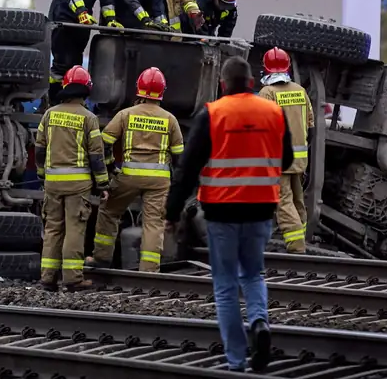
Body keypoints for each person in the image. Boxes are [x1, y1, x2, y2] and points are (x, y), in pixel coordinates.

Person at [166, 57, 294, 373]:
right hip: (262, 208)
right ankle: (260, 322)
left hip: (221, 212)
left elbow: (188, 169)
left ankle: (236, 361)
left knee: (224, 286)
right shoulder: (274, 112)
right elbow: (288, 157)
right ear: (251, 81)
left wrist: (171, 210)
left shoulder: (213, 114)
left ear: (224, 84)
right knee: (253, 274)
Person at [89, 67, 184, 271]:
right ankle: (149, 270)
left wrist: (110, 166)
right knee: (153, 223)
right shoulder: (170, 119)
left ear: (138, 89)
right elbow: (179, 155)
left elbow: (104, 142)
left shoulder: (125, 114)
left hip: (129, 177)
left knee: (109, 212)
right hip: (159, 181)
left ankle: (101, 257)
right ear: (162, 91)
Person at [35, 66, 109, 291]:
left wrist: (42, 174)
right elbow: (96, 156)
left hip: (52, 183)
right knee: (74, 230)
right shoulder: (89, 118)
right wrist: (103, 183)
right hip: (78, 185)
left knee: (53, 229)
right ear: (86, 90)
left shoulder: (50, 114)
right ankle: (73, 279)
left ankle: (47, 279)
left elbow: (39, 148)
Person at [258, 47, 314, 254]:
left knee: (284, 203)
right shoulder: (300, 91)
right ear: (287, 67)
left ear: (265, 68)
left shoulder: (267, 93)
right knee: (298, 201)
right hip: (299, 160)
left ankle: (296, 247)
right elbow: (311, 127)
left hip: (278, 160)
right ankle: (302, 240)